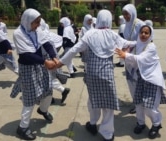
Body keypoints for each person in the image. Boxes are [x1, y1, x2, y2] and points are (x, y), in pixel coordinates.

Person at [56, 9, 136, 141]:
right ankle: (107, 133)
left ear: (97, 19)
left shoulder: (90, 34)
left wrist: (60, 63)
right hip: (107, 75)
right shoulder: (112, 34)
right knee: (108, 104)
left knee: (93, 100)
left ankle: (92, 124)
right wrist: (144, 40)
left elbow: (74, 50)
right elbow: (128, 44)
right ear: (110, 20)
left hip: (92, 74)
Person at [115, 25, 166, 139]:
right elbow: (125, 43)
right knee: (139, 104)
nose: (143, 35)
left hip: (152, 80)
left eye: (146, 33)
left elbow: (141, 59)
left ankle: (156, 124)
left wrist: (125, 55)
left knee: (149, 106)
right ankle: (140, 123)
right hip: (140, 79)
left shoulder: (151, 47)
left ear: (150, 35)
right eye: (142, 32)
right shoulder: (137, 45)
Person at [11, 8, 58, 140]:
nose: (37, 25)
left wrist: (54, 57)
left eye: (38, 22)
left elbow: (47, 44)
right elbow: (26, 55)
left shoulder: (37, 30)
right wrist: (45, 62)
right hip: (28, 68)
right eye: (35, 22)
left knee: (48, 90)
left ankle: (43, 110)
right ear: (27, 21)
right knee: (30, 99)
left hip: (40, 65)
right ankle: (23, 127)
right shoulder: (18, 33)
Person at [120, 3, 145, 114]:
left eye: (127, 14)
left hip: (138, 59)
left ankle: (140, 103)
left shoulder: (140, 25)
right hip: (128, 59)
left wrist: (131, 47)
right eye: (124, 14)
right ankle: (136, 102)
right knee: (130, 81)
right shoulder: (126, 25)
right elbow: (124, 40)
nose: (125, 16)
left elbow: (146, 41)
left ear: (132, 13)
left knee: (139, 82)